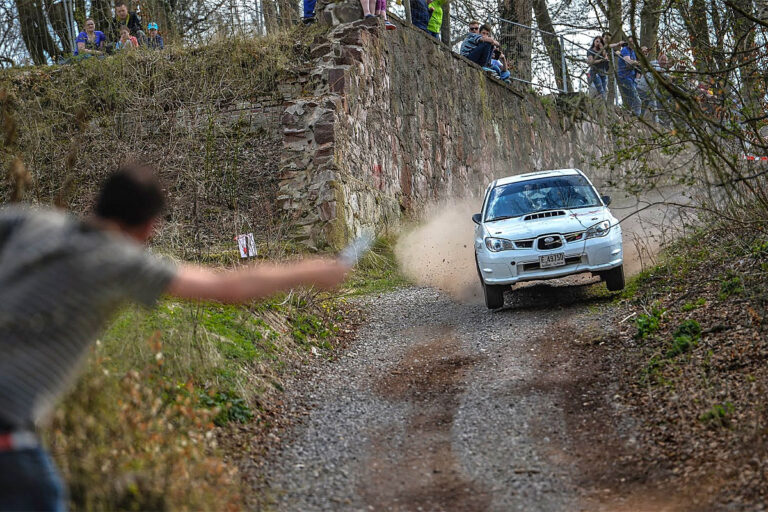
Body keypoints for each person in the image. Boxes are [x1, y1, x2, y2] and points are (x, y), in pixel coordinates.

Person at [0, 164, 349, 512]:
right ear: (148, 226)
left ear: (100, 201)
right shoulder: (120, 261)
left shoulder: (35, 222)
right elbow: (227, 288)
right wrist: (312, 270)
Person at [614, 36, 641, 115]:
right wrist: (636, 62)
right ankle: (637, 118)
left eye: (633, 41)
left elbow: (633, 64)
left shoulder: (632, 52)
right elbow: (628, 63)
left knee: (630, 100)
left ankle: (629, 117)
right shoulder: (625, 50)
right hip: (625, 77)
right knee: (637, 100)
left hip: (631, 78)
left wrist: (635, 62)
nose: (631, 43)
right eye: (630, 41)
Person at [636, 52, 666, 122]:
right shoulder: (653, 63)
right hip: (642, 88)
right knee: (637, 103)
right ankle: (634, 117)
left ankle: (640, 120)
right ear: (658, 59)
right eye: (662, 60)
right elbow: (658, 70)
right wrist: (666, 73)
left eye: (665, 60)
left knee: (645, 106)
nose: (664, 62)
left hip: (649, 91)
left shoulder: (661, 68)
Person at [586, 36, 609, 100]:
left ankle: (603, 104)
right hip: (595, 71)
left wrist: (602, 48)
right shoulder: (590, 51)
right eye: (597, 41)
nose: (598, 43)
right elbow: (591, 61)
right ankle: (602, 104)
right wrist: (600, 60)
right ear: (594, 42)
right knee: (601, 90)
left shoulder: (602, 50)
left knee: (604, 90)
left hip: (603, 72)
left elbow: (605, 57)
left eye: (600, 42)